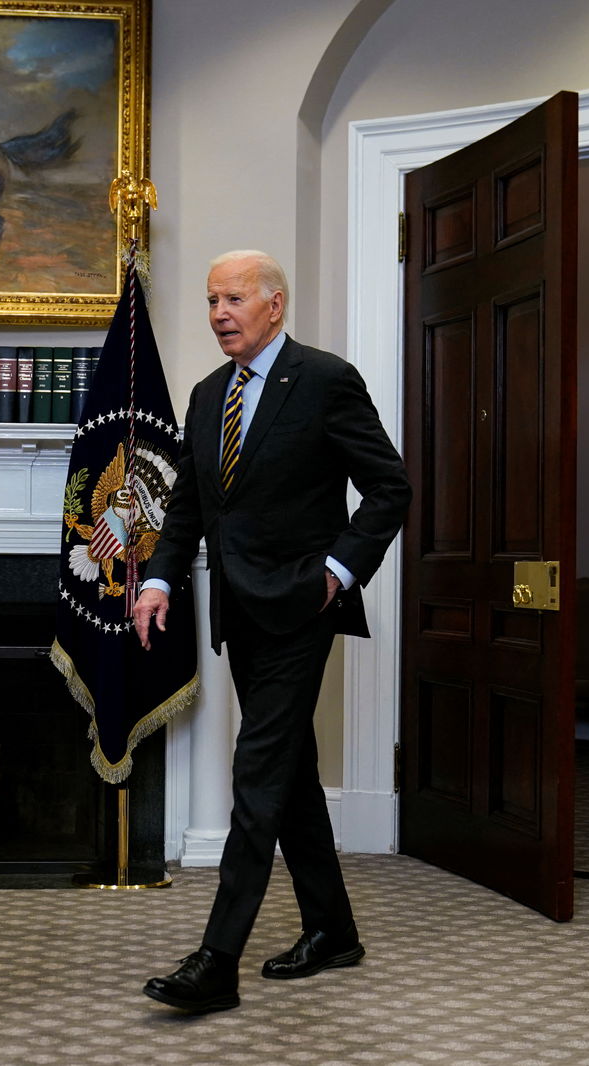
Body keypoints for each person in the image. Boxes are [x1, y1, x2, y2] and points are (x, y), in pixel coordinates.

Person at [134, 250, 411, 1013]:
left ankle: (216, 961)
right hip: (238, 613)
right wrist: (158, 577)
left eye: (233, 300)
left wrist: (338, 571)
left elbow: (390, 486)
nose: (219, 313)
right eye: (211, 300)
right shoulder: (204, 394)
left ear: (274, 306)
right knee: (286, 773)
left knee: (256, 773)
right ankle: (332, 930)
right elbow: (188, 503)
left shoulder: (324, 381)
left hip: (300, 607)